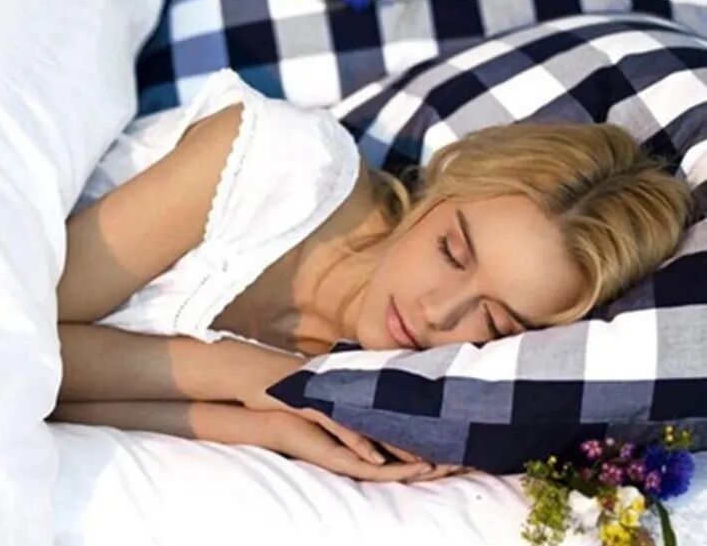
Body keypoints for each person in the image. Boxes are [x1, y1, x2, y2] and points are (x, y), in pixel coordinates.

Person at [50, 72, 699, 483]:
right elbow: (22, 343)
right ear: (442, 185)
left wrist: (270, 425)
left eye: (495, 323)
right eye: (451, 252)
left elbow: (51, 400)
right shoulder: (273, 161)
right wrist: (255, 380)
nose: (438, 313)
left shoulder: (366, 383)